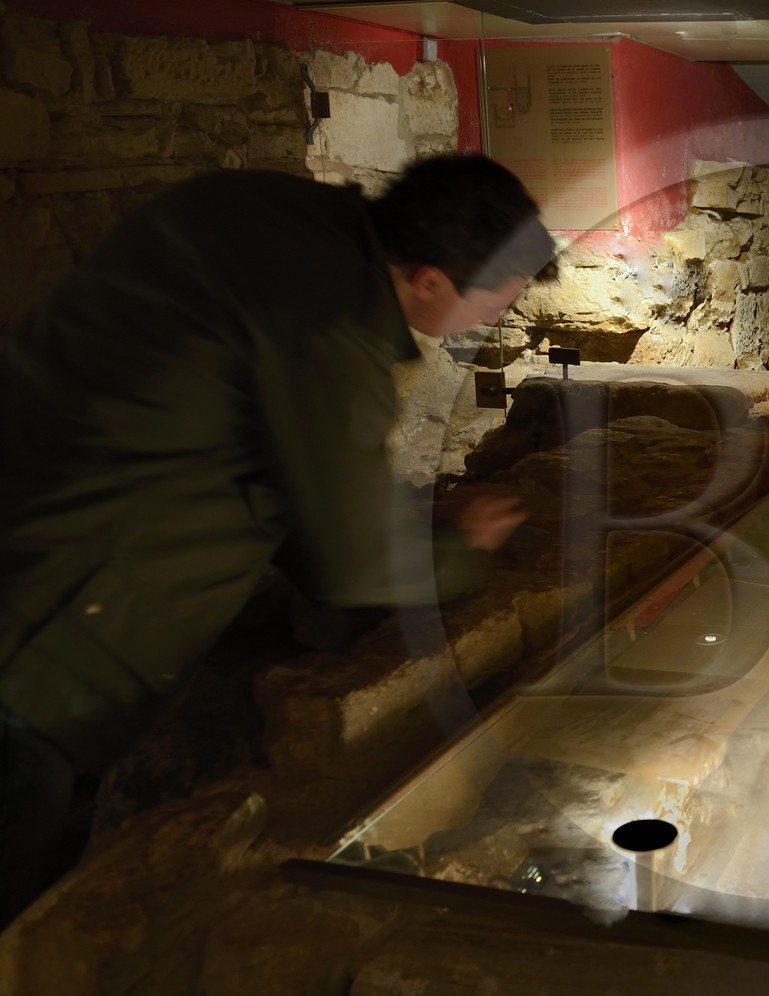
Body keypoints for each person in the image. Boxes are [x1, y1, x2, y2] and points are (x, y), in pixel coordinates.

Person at [0, 153, 556, 930]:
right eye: (495, 304)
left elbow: (275, 456)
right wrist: (463, 545)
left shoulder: (259, 210)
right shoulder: (329, 322)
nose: (494, 320)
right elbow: (349, 564)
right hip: (46, 638)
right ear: (429, 280)